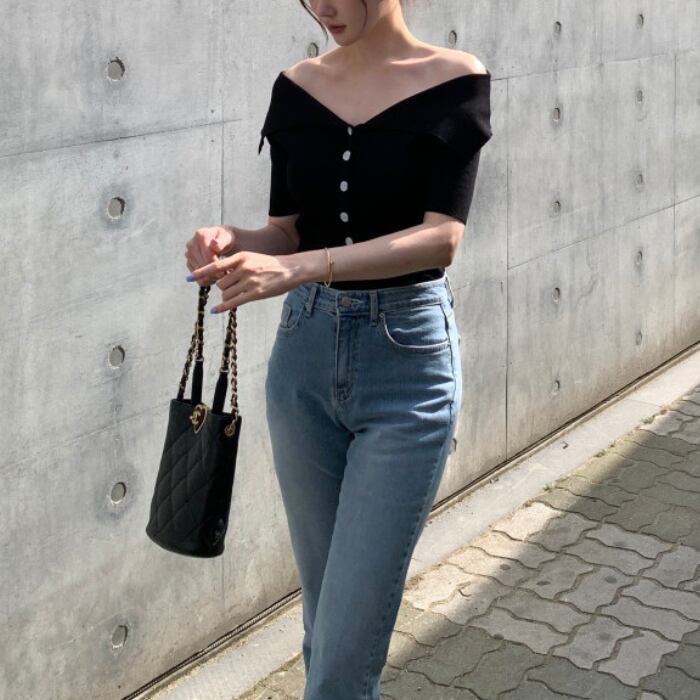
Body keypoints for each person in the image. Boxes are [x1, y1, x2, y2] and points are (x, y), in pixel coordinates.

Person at [185, 2, 492, 697]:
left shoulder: (455, 79)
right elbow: (285, 233)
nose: (322, 6)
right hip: (304, 362)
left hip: (407, 365)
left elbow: (441, 239)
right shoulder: (297, 87)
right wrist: (228, 240)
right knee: (325, 630)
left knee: (343, 657)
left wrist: (301, 267)